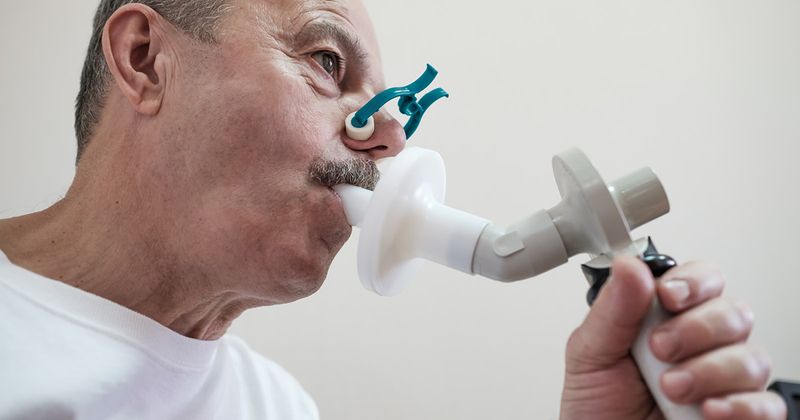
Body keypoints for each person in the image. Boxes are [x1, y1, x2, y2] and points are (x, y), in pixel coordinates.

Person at [0, 0, 786, 419]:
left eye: (393, 107)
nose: (388, 135)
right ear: (145, 59)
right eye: (326, 60)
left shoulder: (279, 409)